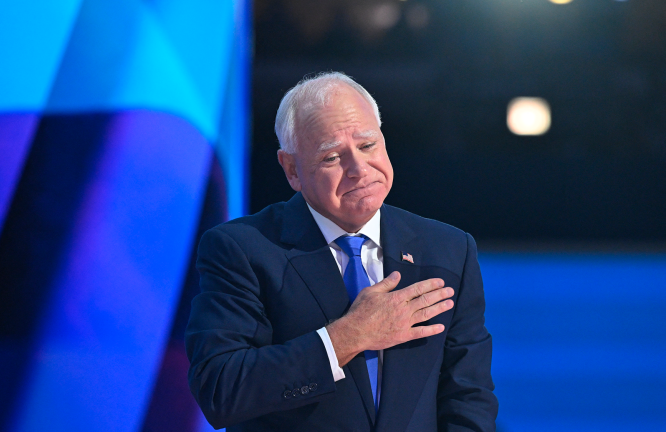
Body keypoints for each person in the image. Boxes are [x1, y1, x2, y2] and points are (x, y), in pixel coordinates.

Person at [185, 72, 497, 432]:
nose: (359, 170)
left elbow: (468, 398)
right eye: (332, 157)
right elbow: (221, 391)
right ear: (291, 169)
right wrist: (347, 337)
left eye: (368, 146)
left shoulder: (449, 249)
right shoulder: (241, 249)